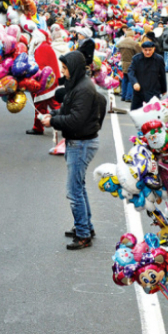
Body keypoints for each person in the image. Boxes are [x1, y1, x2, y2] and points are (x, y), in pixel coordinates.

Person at [39, 52, 105, 250]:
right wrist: (53, 115)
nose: (63, 72)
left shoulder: (83, 88)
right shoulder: (78, 85)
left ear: (74, 67)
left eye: (65, 68)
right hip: (79, 141)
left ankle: (83, 234)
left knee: (74, 191)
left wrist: (53, 121)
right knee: (79, 187)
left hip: (81, 143)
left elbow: (76, 119)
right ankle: (85, 226)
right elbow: (68, 110)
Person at [28, 29, 62, 135]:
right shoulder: (44, 46)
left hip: (45, 83)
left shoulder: (42, 48)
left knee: (41, 105)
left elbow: (40, 67)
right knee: (54, 105)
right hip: (51, 81)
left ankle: (38, 127)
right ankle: (65, 123)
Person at [128, 41, 168, 110]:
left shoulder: (159, 59)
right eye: (145, 50)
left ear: (154, 49)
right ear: (142, 49)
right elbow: (131, 71)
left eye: (150, 50)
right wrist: (134, 82)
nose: (147, 52)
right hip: (140, 91)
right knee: (135, 112)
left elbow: (162, 75)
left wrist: (164, 89)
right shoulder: (136, 59)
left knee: (153, 113)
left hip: (153, 90)